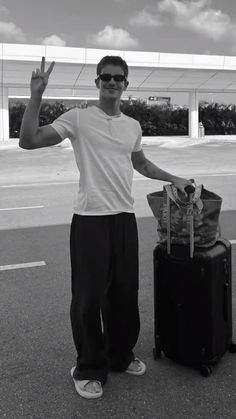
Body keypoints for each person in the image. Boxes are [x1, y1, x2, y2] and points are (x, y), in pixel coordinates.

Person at [19, 55, 192, 399]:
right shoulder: (79, 118)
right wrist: (36, 95)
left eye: (119, 78)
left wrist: (173, 177)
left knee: (124, 293)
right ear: (97, 82)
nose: (112, 82)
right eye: (106, 77)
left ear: (126, 85)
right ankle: (88, 367)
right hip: (89, 220)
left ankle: (119, 355)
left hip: (124, 218)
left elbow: (140, 162)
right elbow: (30, 140)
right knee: (87, 299)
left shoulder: (132, 126)